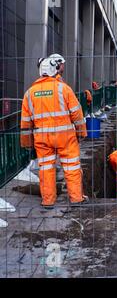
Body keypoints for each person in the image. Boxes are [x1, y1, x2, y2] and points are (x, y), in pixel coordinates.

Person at [20, 55, 88, 209]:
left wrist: (27, 143)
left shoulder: (30, 93)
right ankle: (76, 198)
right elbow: (77, 113)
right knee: (71, 167)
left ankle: (48, 201)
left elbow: (25, 122)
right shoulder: (63, 88)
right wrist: (81, 132)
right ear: (54, 69)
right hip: (65, 137)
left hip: (42, 138)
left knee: (46, 168)